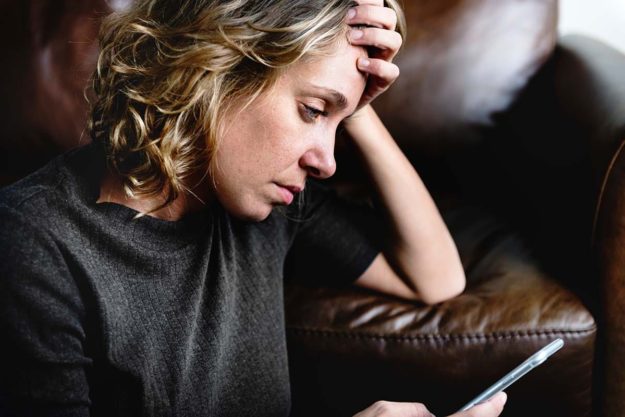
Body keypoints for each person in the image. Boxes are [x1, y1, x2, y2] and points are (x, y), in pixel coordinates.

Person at [0, 0, 505, 416]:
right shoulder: (33, 245)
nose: (327, 162)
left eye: (336, 122)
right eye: (310, 110)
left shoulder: (269, 205)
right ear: (215, 66)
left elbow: (435, 277)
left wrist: (356, 108)